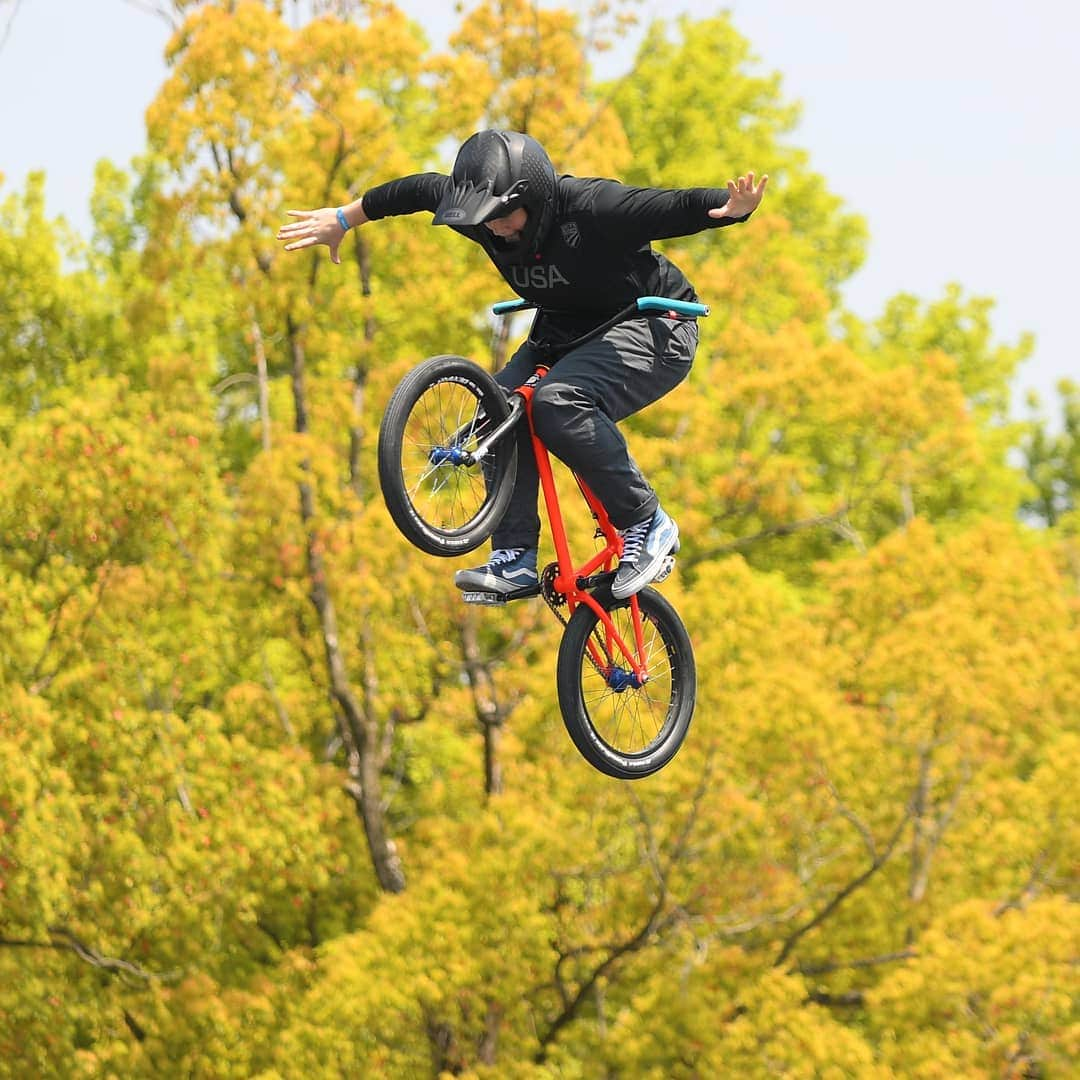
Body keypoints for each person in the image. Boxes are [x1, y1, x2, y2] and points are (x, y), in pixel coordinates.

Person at [277, 130, 767, 602]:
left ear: (534, 201)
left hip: (655, 322)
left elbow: (664, 207)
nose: (492, 227)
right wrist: (342, 220)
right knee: (498, 411)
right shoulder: (478, 212)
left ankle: (646, 521)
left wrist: (730, 210)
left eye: (503, 216)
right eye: (482, 217)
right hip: (565, 330)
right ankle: (514, 558)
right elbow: (413, 190)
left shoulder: (590, 207)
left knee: (557, 404)